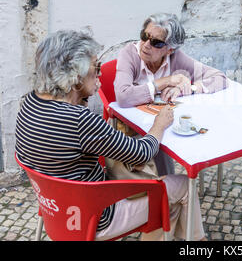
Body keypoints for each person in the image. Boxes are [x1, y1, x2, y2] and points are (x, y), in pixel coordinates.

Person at [15, 30, 206, 241]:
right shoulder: (79, 120)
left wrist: (80, 95)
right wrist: (159, 125)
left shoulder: (29, 104)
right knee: (182, 185)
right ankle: (198, 243)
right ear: (75, 76)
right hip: (94, 217)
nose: (99, 75)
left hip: (55, 208)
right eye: (95, 68)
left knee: (161, 195)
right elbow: (142, 153)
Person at [114, 13, 228, 175]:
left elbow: (220, 78)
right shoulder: (130, 54)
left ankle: (170, 188)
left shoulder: (176, 58)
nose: (146, 45)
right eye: (144, 36)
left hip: (164, 127)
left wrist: (188, 88)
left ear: (170, 49)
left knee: (199, 133)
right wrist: (165, 81)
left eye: (156, 43)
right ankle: (164, 189)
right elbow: (124, 97)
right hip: (132, 133)